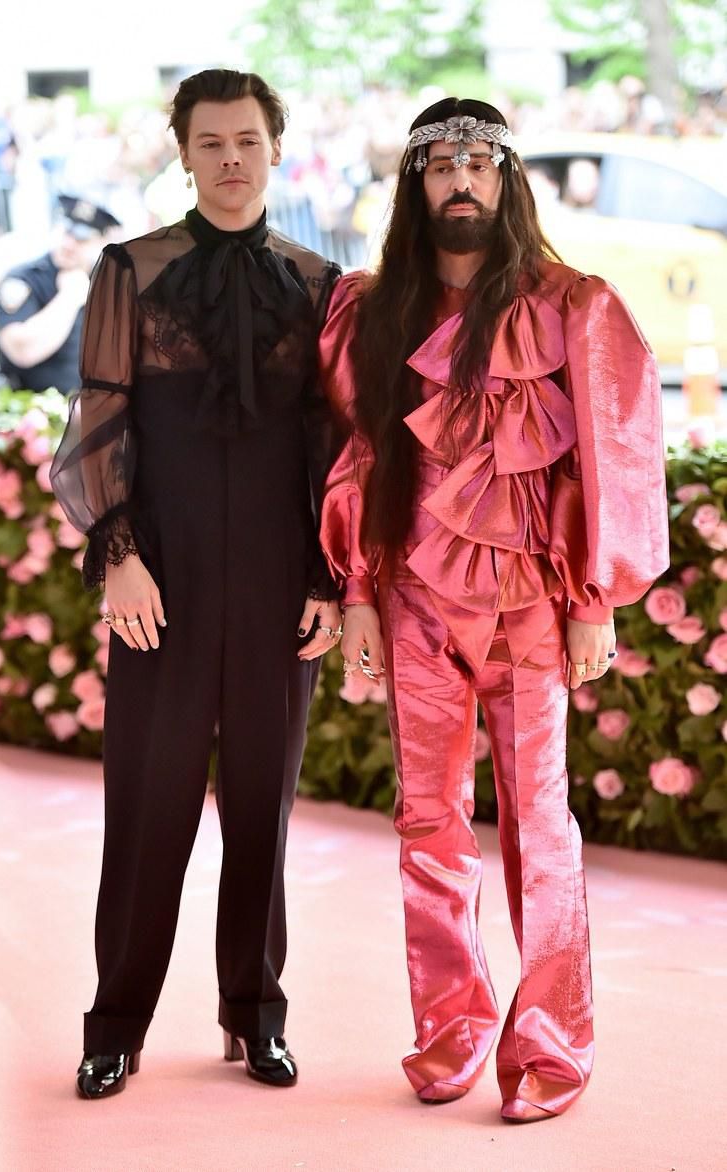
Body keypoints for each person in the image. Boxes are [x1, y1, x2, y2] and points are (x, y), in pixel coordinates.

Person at [319, 98, 668, 1123]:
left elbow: (617, 449)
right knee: (426, 819)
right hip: (416, 602)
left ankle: (551, 1041)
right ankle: (451, 1024)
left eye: (479, 160)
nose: (460, 178)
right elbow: (356, 461)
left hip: (528, 613)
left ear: (507, 176)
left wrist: (595, 595)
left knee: (541, 828)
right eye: (441, 163)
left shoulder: (576, 305)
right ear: (416, 183)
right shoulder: (372, 311)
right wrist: (357, 596)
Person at [50, 68, 342, 1100]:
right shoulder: (131, 269)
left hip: (277, 588)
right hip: (160, 585)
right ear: (184, 152)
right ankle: (114, 1023)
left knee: (264, 802)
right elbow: (95, 420)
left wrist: (328, 577)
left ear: (275, 150)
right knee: (148, 803)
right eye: (210, 141)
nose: (229, 158)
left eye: (247, 140)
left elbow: (331, 449)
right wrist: (117, 554)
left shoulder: (318, 282)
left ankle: (255, 1013)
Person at [0, 194, 121, 394]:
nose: (69, 244)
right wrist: (69, 297)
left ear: (101, 243)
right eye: (67, 233)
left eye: (81, 239)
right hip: (34, 413)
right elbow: (21, 349)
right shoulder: (24, 279)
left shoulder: (110, 283)